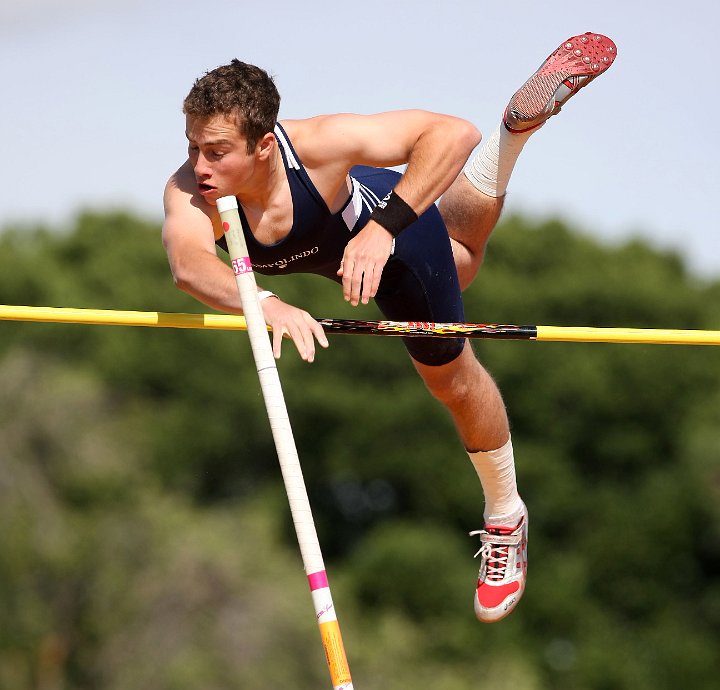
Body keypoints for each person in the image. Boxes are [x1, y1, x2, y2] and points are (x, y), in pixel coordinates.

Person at [162, 32, 617, 623]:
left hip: (391, 232)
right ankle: (515, 138)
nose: (199, 165)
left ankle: (506, 515)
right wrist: (264, 302)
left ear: (266, 144)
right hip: (339, 245)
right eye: (193, 146)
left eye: (217, 150)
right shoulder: (192, 191)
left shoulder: (319, 144)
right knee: (463, 257)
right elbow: (188, 265)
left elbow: (453, 134)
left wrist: (384, 229)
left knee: (450, 366)